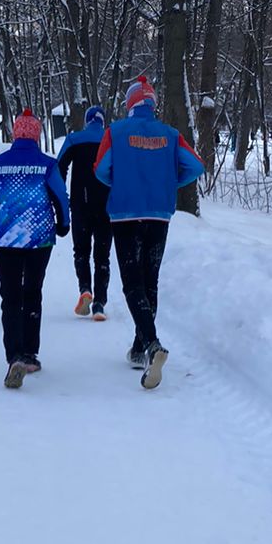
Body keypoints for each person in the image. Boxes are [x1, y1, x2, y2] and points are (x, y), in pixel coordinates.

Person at [93, 74, 205, 389]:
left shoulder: (115, 131)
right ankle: (140, 346)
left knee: (132, 283)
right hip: (159, 215)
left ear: (130, 103)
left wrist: (120, 183)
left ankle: (152, 342)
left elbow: (100, 169)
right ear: (153, 103)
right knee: (150, 280)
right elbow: (196, 166)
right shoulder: (170, 134)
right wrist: (169, 182)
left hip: (125, 214)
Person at [0, 109, 70, 388]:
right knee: (33, 293)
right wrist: (63, 224)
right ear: (37, 134)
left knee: (10, 295)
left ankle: (13, 354)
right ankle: (30, 353)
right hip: (40, 238)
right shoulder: (47, 164)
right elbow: (61, 198)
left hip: (6, 238)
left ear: (15, 133)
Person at [56, 104, 112, 318]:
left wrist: (62, 194)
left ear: (87, 120)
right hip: (107, 206)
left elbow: (59, 167)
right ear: (102, 121)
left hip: (80, 204)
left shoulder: (73, 139)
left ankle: (85, 289)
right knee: (102, 256)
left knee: (81, 251)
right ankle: (99, 303)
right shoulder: (111, 141)